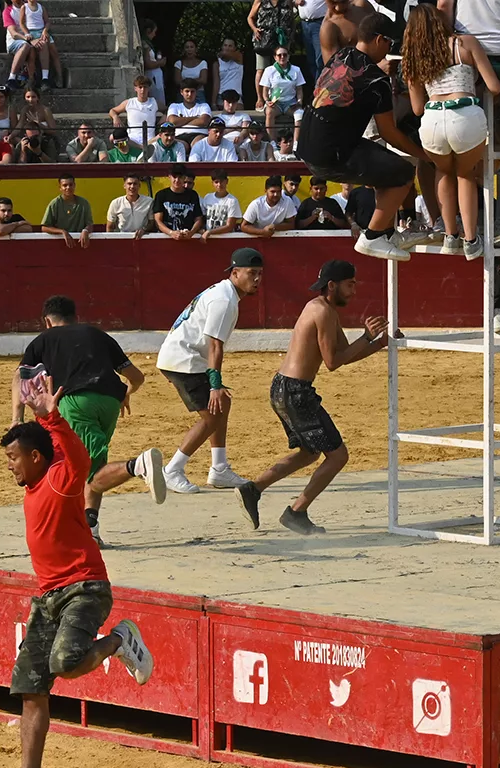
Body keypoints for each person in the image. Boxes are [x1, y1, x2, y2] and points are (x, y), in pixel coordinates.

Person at [0, 375, 153, 768]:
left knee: (65, 662)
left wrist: (51, 417)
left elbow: (78, 457)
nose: (9, 467)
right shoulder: (36, 484)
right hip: (47, 596)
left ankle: (120, 640)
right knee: (30, 687)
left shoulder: (61, 479)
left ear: (35, 457)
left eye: (13, 458)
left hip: (85, 589)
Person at [233, 258, 386, 535]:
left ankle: (253, 489)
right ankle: (296, 512)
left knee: (309, 453)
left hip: (283, 387)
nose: (354, 291)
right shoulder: (324, 312)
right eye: (350, 285)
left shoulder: (321, 308)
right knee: (337, 456)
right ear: (332, 285)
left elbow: (344, 354)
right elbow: (332, 362)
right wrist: (367, 337)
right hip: (296, 392)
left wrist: (378, 343)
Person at [12, 294, 146, 542]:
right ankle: (90, 529)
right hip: (110, 403)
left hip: (74, 403)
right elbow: (137, 377)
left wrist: (16, 418)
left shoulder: (44, 339)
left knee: (81, 469)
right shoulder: (99, 335)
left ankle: (137, 466)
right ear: (76, 317)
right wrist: (126, 393)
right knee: (94, 463)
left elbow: (21, 377)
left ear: (47, 321)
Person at [299, 12, 425, 261]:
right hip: (334, 154)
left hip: (307, 145)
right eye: (390, 44)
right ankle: (373, 236)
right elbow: (389, 133)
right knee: (402, 172)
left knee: (384, 168)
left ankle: (386, 232)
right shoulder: (377, 81)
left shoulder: (340, 55)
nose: (389, 51)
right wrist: (423, 155)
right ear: (379, 39)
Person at [154, 247, 264, 494]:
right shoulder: (224, 301)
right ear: (235, 273)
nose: (257, 279)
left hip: (184, 357)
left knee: (221, 405)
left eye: (259, 273)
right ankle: (172, 470)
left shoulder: (224, 293)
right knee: (212, 416)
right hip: (184, 360)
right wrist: (214, 384)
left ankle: (219, 469)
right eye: (251, 273)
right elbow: (215, 345)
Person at [400, 4, 499, 261]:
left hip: (432, 119)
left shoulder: (414, 57)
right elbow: (494, 86)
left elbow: (417, 108)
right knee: (465, 175)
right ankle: (471, 240)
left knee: (443, 172)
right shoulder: (465, 43)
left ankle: (450, 235)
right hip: (465, 114)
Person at [40, 172, 92, 248]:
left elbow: (89, 224)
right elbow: (44, 227)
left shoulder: (84, 203)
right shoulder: (54, 204)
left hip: (79, 244)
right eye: (65, 185)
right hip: (59, 245)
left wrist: (85, 230)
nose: (68, 188)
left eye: (71, 185)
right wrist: (62, 232)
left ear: (74, 185)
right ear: (60, 188)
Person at [153, 163, 205, 238]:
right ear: (169, 177)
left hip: (188, 238)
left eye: (180, 177)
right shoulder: (161, 195)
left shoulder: (192, 195)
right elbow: (157, 221)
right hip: (166, 237)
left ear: (184, 178)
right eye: (174, 177)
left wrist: (191, 232)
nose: (177, 180)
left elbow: (198, 218)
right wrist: (171, 233)